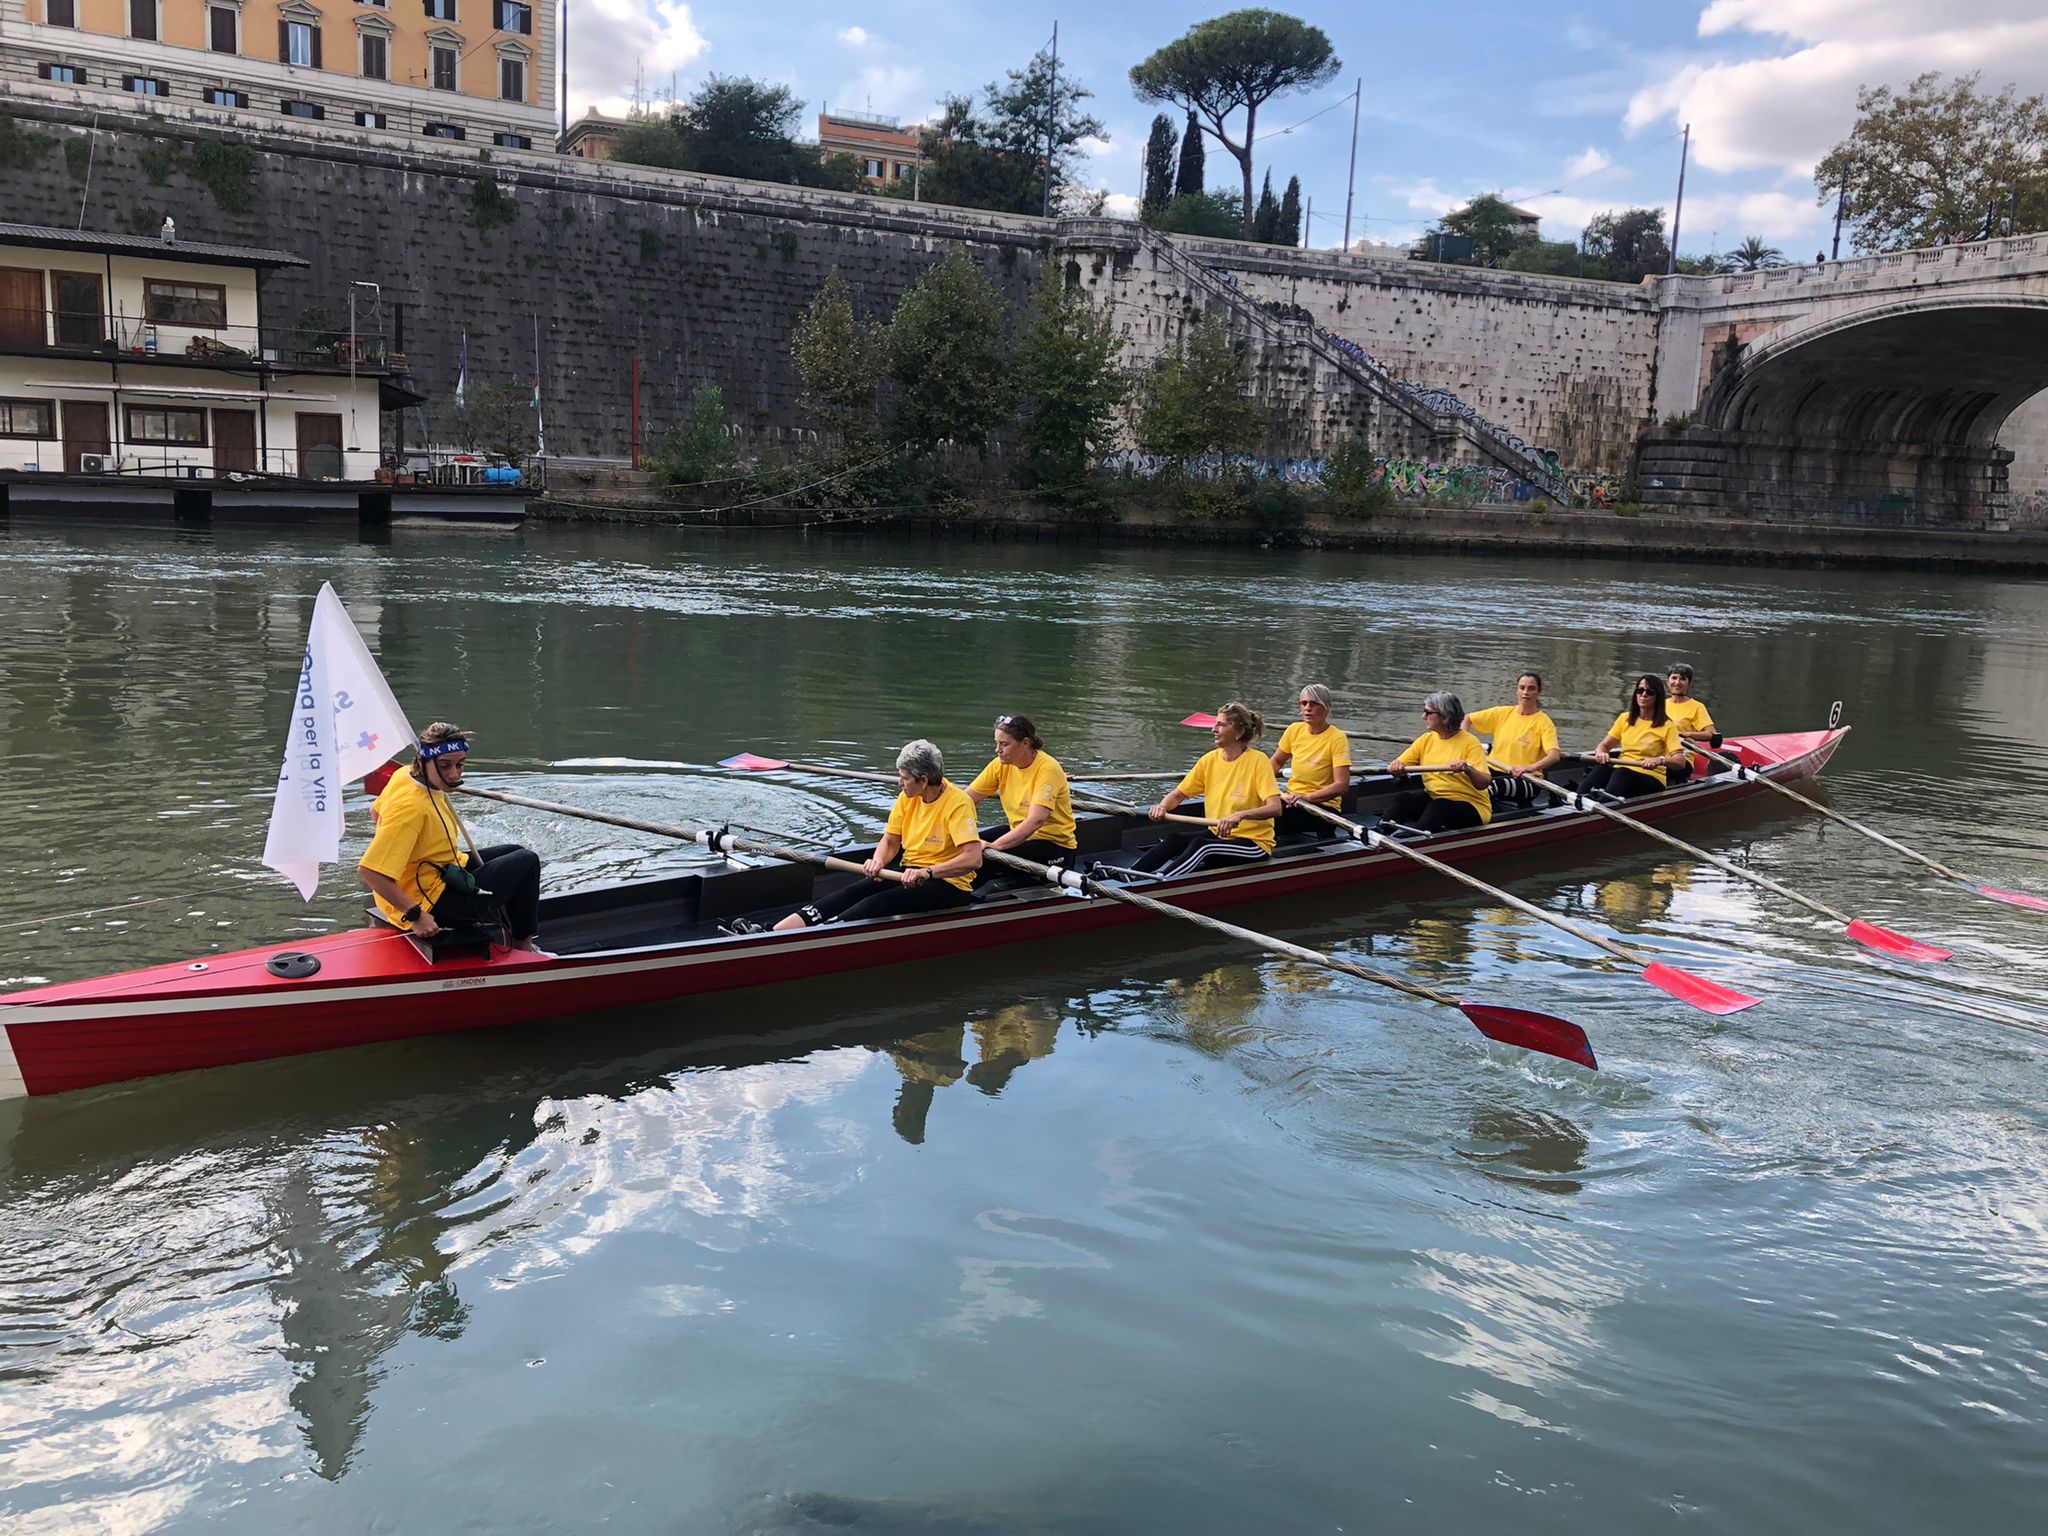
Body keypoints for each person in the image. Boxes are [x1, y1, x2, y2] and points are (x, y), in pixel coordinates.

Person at [358, 721, 546, 952]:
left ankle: (509, 934)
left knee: (514, 852)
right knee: (527, 861)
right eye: (445, 765)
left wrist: (410, 852)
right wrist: (416, 915)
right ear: (424, 761)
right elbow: (370, 871)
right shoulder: (411, 809)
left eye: (459, 765)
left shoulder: (404, 774)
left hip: (438, 872)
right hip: (430, 904)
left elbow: (375, 812)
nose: (454, 774)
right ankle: (523, 947)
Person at [767, 739, 983, 930]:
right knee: (850, 892)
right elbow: (890, 840)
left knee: (877, 903)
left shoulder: (958, 803)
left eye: (904, 778)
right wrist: (877, 861)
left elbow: (973, 858)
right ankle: (772, 931)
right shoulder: (907, 797)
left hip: (948, 885)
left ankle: (819, 936)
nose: (899, 783)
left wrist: (927, 872)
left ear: (923, 780)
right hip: (908, 873)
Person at [1117, 702, 1282, 879]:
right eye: (1215, 723)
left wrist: (1240, 815)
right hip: (1218, 834)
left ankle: (1160, 882)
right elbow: (1178, 794)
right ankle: (1128, 876)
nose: (1214, 730)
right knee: (1174, 839)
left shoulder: (1258, 761)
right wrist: (1163, 806)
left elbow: (1275, 808)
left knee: (1202, 846)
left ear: (1239, 732)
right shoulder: (1209, 760)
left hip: (1254, 844)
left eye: (1221, 725)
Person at [964, 713, 1077, 878]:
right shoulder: (999, 765)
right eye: (997, 743)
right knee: (963, 847)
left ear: (1025, 743)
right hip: (1020, 833)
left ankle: (958, 899)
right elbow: (965, 801)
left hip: (1054, 846)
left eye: (1004, 744)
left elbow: (1035, 821)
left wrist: (995, 846)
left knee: (982, 859)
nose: (998, 750)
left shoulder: (1048, 769)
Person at [1384, 692, 1492, 832]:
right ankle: (1380, 833)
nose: (1423, 717)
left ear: (1444, 715)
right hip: (1435, 799)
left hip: (1472, 807)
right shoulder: (1426, 740)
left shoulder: (1470, 743)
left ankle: (1415, 841)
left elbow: (1484, 783)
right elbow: (1399, 764)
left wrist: (1468, 769)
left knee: (1440, 806)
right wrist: (1396, 768)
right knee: (1403, 799)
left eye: (1427, 712)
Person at [1465, 671, 1561, 806]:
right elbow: (1467, 719)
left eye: (1531, 688)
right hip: (1493, 770)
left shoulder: (1544, 722)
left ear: (1538, 693)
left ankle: (1483, 818)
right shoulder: (1503, 713)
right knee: (1461, 782)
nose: (1525, 692)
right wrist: (1463, 746)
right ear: (1517, 690)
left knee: (1488, 787)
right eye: (1522, 688)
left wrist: (1528, 768)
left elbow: (1554, 756)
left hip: (1527, 780)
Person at [1582, 675, 1685, 800]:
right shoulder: (1624, 718)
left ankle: (1603, 806)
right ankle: (1577, 802)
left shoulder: (1667, 725)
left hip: (1651, 778)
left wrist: (1660, 760)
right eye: (1640, 691)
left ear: (1657, 697)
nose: (1643, 695)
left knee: (1622, 773)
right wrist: (1601, 753)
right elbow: (1604, 746)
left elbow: (1680, 762)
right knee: (1601, 769)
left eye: (1650, 692)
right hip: (1621, 772)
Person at [1269, 683, 1352, 838]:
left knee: (1273, 817)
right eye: (1304, 703)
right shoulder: (1294, 730)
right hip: (1292, 799)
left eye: (1314, 704)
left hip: (1323, 808)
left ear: (1326, 707)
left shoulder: (1337, 739)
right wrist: (1260, 780)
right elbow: (1276, 762)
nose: (1307, 708)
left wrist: (1307, 798)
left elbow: (1341, 785)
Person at [1662, 661, 1720, 784]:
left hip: (1682, 760)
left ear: (1689, 684)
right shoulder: (1659, 705)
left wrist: (1688, 735)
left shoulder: (1697, 707)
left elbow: (1711, 734)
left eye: (1682, 679)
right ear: (1668, 681)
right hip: (1657, 754)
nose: (1677, 682)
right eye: (1674, 678)